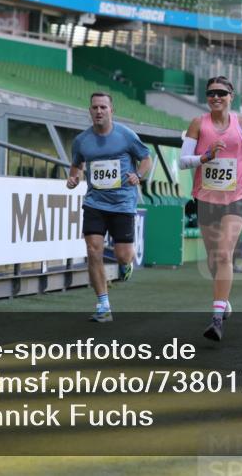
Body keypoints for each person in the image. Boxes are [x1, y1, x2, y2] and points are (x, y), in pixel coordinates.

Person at [179, 76, 242, 342]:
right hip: (206, 197)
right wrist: (205, 157)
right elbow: (184, 161)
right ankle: (224, 299)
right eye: (210, 93)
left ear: (231, 96)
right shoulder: (198, 124)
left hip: (237, 196)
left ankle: (216, 318)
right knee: (213, 259)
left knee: (223, 254)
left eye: (221, 93)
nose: (215, 97)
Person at [67, 93, 152, 322]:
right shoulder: (82, 140)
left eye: (103, 107)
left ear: (111, 110)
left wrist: (139, 175)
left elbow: (146, 158)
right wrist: (73, 179)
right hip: (95, 202)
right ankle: (103, 304)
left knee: (123, 255)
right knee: (93, 250)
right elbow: (76, 165)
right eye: (94, 107)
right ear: (90, 110)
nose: (99, 111)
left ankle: (126, 265)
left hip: (123, 202)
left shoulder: (126, 136)